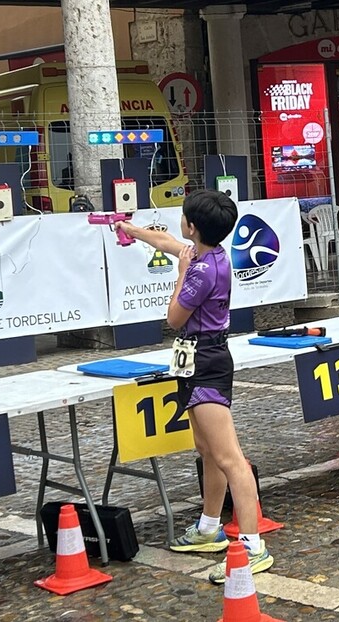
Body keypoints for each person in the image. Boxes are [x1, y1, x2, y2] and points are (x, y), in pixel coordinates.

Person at [117, 191, 274, 583]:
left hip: (206, 363)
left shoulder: (201, 271)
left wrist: (181, 274)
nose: (180, 228)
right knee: (206, 450)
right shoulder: (211, 253)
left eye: (184, 221)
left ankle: (253, 546)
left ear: (194, 226)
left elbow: (173, 318)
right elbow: (170, 245)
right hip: (197, 361)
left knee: (229, 458)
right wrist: (131, 230)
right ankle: (208, 528)